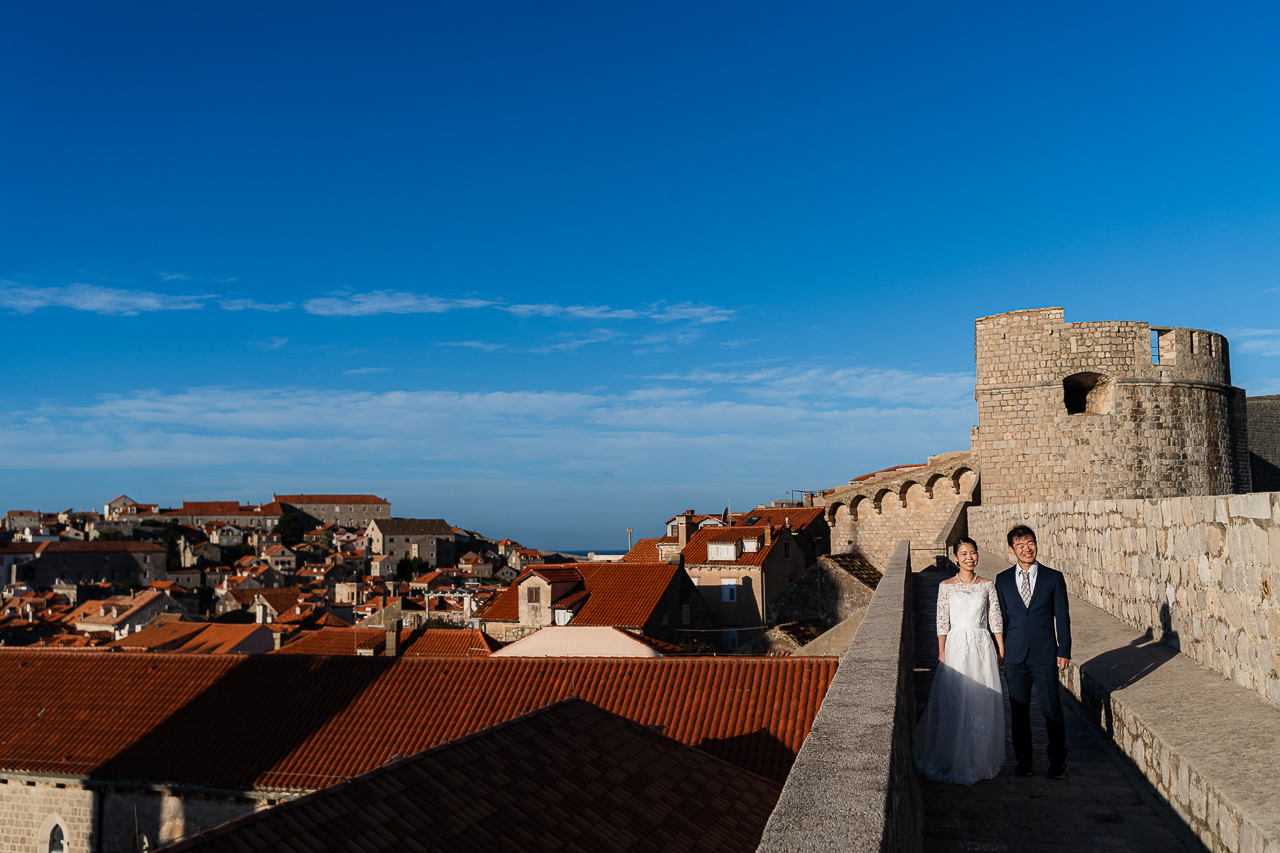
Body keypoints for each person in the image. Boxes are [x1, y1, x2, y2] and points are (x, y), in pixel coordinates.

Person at [915, 536, 1006, 785]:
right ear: (955, 558)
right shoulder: (945, 586)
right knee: (957, 699)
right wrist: (942, 653)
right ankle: (957, 755)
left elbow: (995, 619)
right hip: (956, 645)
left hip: (981, 645)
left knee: (982, 699)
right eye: (964, 553)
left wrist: (1000, 648)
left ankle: (980, 757)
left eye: (973, 552)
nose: (969, 557)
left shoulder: (987, 585)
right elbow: (941, 621)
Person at [995, 524, 1071, 779]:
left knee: (1051, 708)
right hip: (1015, 656)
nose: (1027, 549)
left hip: (1045, 654)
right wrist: (1000, 651)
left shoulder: (1054, 577)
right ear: (1011, 549)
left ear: (1036, 545)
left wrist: (1065, 649)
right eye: (1020, 545)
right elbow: (1001, 619)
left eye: (1030, 544)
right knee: (1019, 710)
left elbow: (1063, 617)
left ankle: (1058, 761)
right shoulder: (1003, 579)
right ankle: (1024, 760)